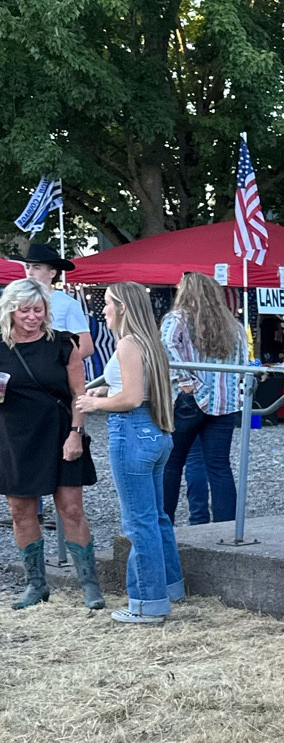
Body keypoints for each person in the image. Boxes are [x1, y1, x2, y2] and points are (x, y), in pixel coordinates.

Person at [76, 282, 184, 625]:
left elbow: (132, 398)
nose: (103, 309)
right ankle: (170, 587)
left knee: (139, 522)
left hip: (132, 432)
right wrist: (109, 391)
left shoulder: (126, 343)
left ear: (122, 307)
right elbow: (140, 389)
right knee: (156, 517)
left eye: (108, 303)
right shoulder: (149, 341)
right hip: (156, 431)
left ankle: (147, 603)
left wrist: (94, 403)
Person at [0, 278, 103, 611]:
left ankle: (89, 585)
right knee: (21, 511)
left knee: (71, 509)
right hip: (14, 436)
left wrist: (76, 432)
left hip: (60, 432)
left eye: (38, 309)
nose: (32, 316)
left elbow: (79, 395)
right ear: (10, 311)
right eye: (24, 310)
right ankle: (36, 585)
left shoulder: (62, 343)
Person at [160, 271, 245, 524]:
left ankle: (164, 525)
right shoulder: (233, 325)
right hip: (225, 402)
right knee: (219, 466)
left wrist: (186, 381)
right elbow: (243, 362)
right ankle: (227, 528)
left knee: (172, 463)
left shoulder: (177, 319)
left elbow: (165, 346)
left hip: (189, 399)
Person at [22, 239, 94, 363]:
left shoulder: (67, 304)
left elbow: (86, 347)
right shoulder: (18, 302)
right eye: (28, 267)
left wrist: (58, 367)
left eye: (36, 267)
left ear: (52, 273)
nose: (30, 272)